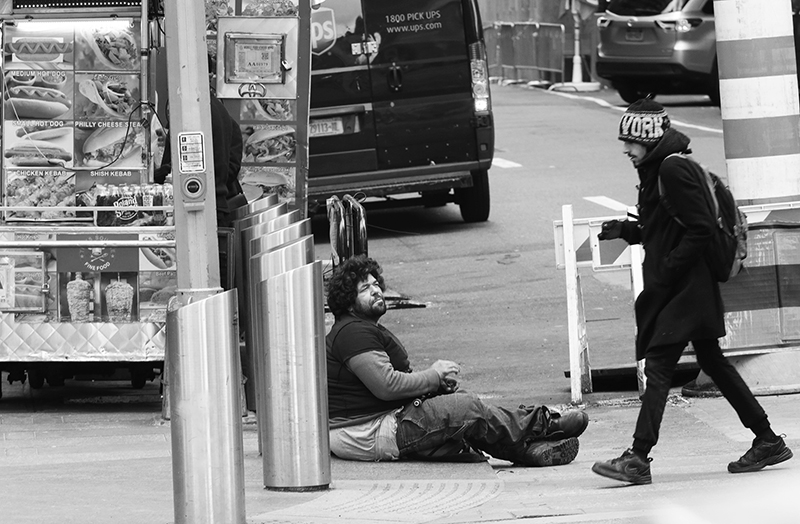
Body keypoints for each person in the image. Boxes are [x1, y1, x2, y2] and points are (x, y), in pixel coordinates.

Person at [592, 98, 793, 485]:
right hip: (684, 287)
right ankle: (766, 439)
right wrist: (626, 230)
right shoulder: (659, 170)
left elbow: (700, 227)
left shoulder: (673, 169)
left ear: (649, 140)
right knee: (713, 362)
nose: (626, 149)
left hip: (685, 289)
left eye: (631, 142)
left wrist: (668, 270)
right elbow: (665, 227)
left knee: (659, 366)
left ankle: (637, 457)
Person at [326, 255, 589, 465]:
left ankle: (528, 451)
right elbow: (386, 386)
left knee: (461, 411)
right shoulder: (352, 332)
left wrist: (435, 387)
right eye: (365, 288)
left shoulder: (358, 329)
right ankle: (545, 425)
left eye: (375, 284)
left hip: (379, 425)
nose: (375, 291)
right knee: (467, 408)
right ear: (349, 303)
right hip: (372, 430)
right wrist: (434, 376)